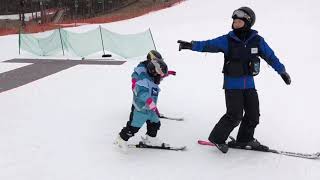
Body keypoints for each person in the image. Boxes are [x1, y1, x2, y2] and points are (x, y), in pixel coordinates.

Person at [177, 7, 291, 153]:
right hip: (232, 84)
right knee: (235, 115)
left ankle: (245, 139)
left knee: (253, 114)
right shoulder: (228, 40)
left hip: (249, 84)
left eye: (239, 21)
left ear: (248, 23)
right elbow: (208, 44)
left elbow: (270, 56)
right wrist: (191, 45)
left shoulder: (256, 40)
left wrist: (282, 71)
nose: (235, 23)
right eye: (234, 21)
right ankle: (217, 138)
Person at [115, 50, 175, 152]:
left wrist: (166, 73)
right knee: (134, 126)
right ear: (152, 71)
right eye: (158, 74)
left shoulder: (152, 76)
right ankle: (121, 139)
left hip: (150, 108)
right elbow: (141, 92)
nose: (159, 77)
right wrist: (149, 100)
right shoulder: (143, 78)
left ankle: (151, 139)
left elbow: (158, 74)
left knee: (155, 123)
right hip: (141, 108)